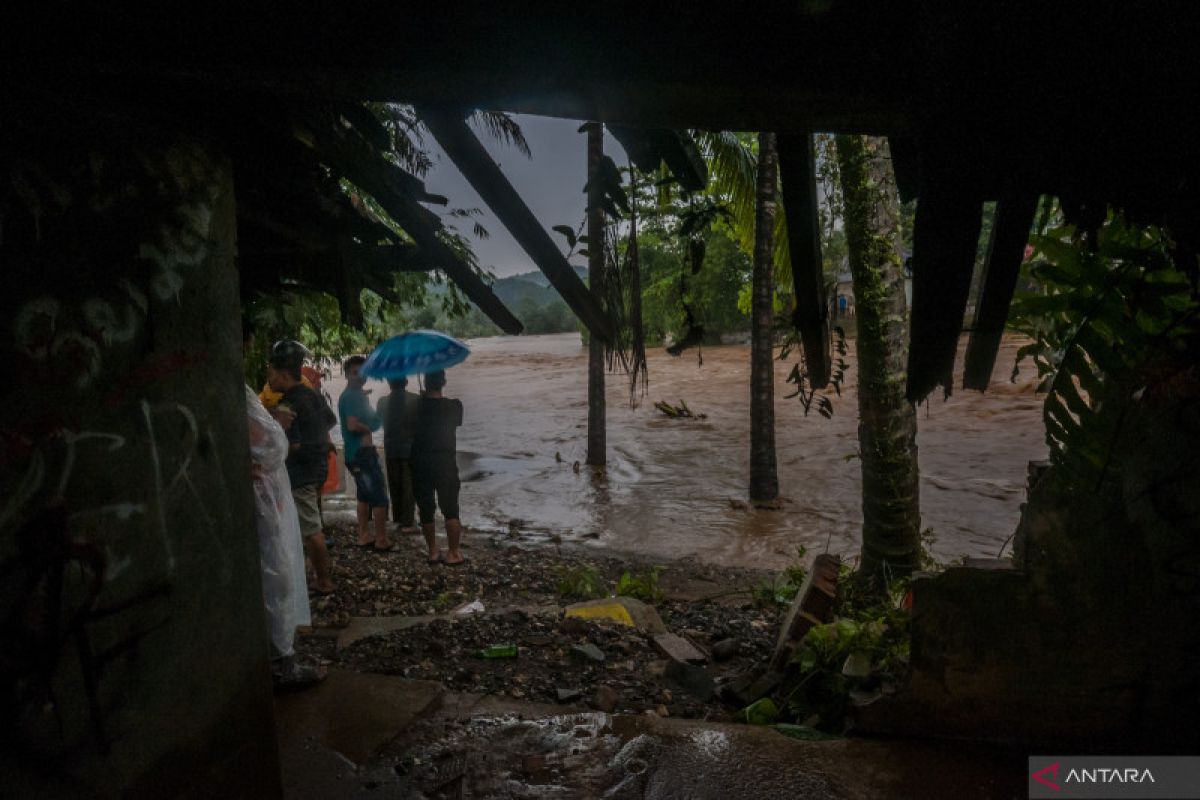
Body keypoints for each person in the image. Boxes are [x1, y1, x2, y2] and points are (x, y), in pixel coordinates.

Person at [243, 321, 323, 688]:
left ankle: (279, 655)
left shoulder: (288, 399)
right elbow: (272, 443)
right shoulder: (302, 396)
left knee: (284, 558)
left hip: (284, 483)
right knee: (276, 566)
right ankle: (280, 659)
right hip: (272, 489)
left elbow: (274, 442)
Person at [267, 340, 336, 594]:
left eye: (271, 373)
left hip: (301, 472)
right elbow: (330, 420)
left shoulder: (288, 404)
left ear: (284, 375)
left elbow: (292, 445)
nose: (269, 378)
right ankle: (315, 572)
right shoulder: (313, 395)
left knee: (311, 529)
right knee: (310, 523)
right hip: (319, 467)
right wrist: (316, 440)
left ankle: (324, 581)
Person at [338, 355, 393, 551]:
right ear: (346, 374)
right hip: (362, 453)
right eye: (355, 373)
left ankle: (364, 535)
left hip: (354, 454)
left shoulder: (351, 394)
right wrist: (369, 428)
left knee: (363, 496)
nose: (359, 376)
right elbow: (353, 425)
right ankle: (381, 540)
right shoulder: (353, 395)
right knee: (379, 497)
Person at [411, 369, 465, 565]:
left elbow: (409, 427)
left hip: (420, 461)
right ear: (443, 382)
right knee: (451, 507)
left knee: (426, 507)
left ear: (425, 383)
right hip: (445, 461)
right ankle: (453, 552)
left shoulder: (415, 407)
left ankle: (433, 551)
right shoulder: (454, 406)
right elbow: (455, 422)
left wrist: (422, 401)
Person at [377, 377, 421, 534]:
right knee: (409, 485)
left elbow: (379, 422)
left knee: (395, 484)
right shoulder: (416, 399)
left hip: (391, 447)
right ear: (406, 382)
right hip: (410, 448)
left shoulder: (382, 402)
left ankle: (398, 518)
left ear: (389, 382)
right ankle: (408, 521)